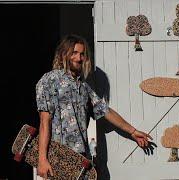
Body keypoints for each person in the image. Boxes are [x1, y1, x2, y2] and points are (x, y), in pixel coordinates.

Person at [36, 34, 152, 179]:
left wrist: (133, 131)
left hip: (81, 158)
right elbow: (44, 122)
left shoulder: (83, 86)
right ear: (63, 54)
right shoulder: (49, 80)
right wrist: (42, 159)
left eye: (82, 54)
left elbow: (106, 111)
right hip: (58, 156)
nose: (79, 58)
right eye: (74, 53)